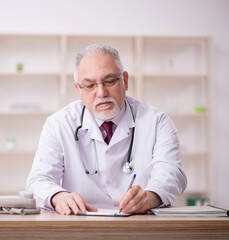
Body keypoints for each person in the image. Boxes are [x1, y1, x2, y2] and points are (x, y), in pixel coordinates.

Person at [26, 44, 187, 215]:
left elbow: (172, 173)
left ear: (125, 80)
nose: (101, 93)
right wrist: (58, 196)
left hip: (140, 224)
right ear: (78, 90)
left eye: (109, 81)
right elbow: (38, 180)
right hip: (79, 225)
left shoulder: (156, 121)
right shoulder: (59, 124)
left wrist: (151, 197)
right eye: (89, 86)